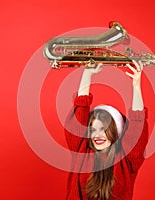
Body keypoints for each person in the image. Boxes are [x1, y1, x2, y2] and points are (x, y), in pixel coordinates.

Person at [64, 60, 149, 200]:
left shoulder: (126, 160)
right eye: (93, 130)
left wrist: (136, 85)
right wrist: (87, 74)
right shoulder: (82, 152)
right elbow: (80, 111)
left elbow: (137, 126)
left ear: (115, 132)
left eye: (103, 130)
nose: (97, 135)